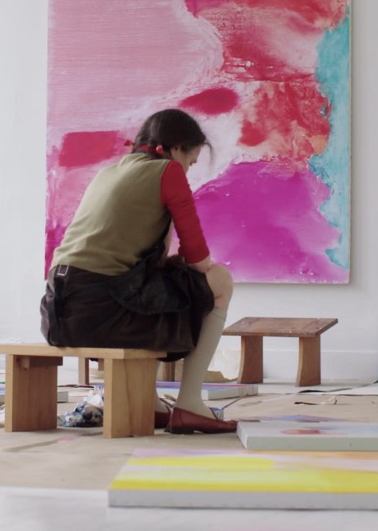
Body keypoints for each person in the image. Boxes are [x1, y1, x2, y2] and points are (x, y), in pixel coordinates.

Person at [42, 108, 236, 434]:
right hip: (101, 312)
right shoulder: (167, 171)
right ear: (176, 149)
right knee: (220, 281)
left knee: (159, 287)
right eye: (190, 163)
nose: (187, 171)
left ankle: (151, 401)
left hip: (57, 313)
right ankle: (190, 403)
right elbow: (199, 260)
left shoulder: (109, 172)